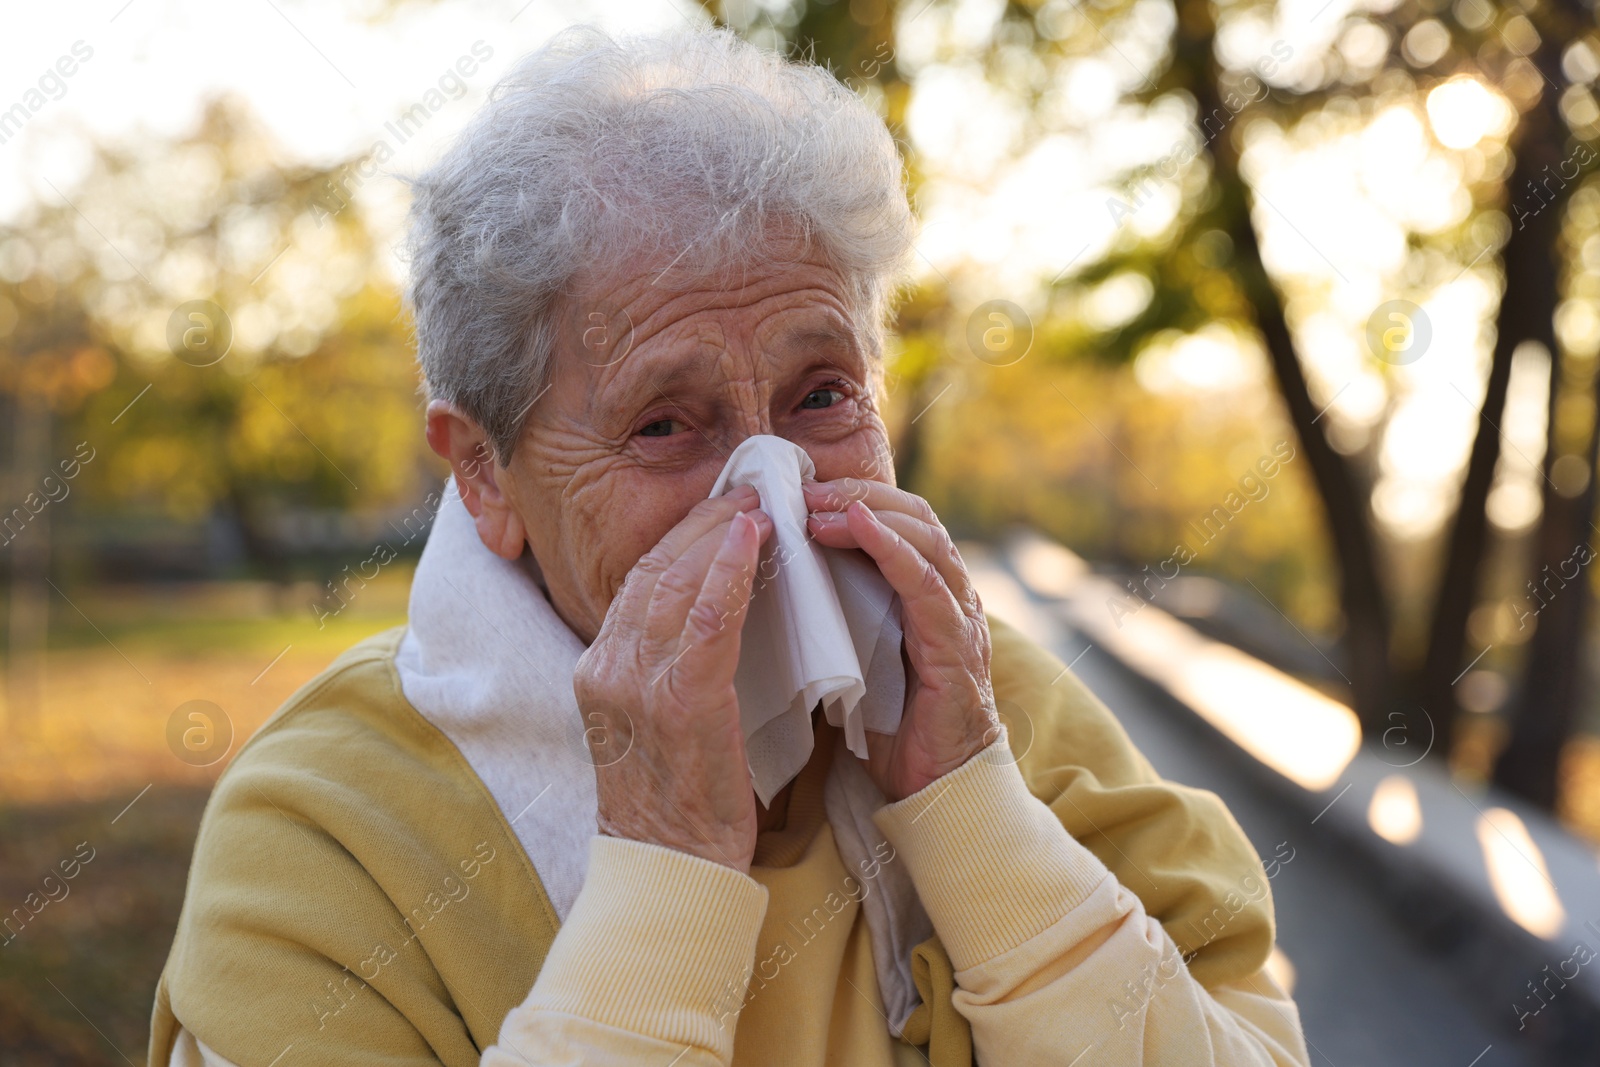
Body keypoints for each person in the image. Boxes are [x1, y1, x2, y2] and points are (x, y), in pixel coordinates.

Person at [148, 25, 1310, 1067]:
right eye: (663, 424)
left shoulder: (988, 703)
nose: (774, 493)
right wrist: (666, 875)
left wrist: (974, 815)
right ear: (486, 473)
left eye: (820, 395)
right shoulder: (326, 836)